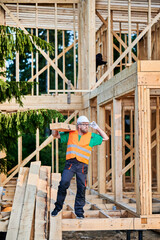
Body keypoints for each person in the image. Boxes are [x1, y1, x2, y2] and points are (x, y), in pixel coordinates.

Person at [51, 116, 109, 219]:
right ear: (78, 126)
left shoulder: (91, 136)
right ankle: (57, 207)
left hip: (82, 166)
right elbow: (55, 135)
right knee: (63, 183)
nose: (87, 126)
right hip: (70, 164)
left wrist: (97, 128)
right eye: (84, 124)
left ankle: (79, 212)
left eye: (88, 124)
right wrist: (57, 127)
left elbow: (106, 138)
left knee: (81, 188)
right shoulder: (71, 134)